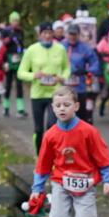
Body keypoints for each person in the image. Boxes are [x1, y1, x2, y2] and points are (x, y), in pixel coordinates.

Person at [26, 86, 109, 217]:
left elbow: (103, 157)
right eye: (58, 105)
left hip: (86, 183)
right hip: (60, 183)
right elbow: (43, 164)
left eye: (66, 105)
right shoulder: (50, 135)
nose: (62, 109)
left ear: (76, 106)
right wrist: (37, 188)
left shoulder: (88, 131)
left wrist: (107, 180)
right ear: (52, 108)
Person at [18, 21, 70, 153]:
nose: (47, 36)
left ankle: (52, 156)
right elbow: (21, 73)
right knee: (39, 129)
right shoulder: (32, 50)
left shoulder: (60, 49)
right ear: (40, 34)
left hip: (55, 94)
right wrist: (35, 75)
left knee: (52, 126)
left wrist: (62, 77)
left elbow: (67, 69)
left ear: (53, 34)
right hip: (37, 94)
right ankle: (39, 156)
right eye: (44, 33)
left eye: (49, 33)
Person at [61, 23, 101, 123]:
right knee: (63, 117)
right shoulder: (60, 47)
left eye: (75, 34)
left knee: (81, 118)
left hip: (80, 89)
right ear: (66, 34)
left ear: (78, 35)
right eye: (70, 34)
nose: (72, 37)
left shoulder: (85, 48)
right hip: (62, 88)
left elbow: (95, 64)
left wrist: (86, 71)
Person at [1, 11, 27, 118]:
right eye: (14, 20)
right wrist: (4, 62)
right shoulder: (5, 31)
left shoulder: (20, 31)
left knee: (19, 85)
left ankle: (20, 109)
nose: (16, 22)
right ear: (10, 21)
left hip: (18, 60)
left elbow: (22, 44)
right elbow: (2, 46)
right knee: (8, 85)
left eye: (17, 20)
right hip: (8, 60)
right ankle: (6, 108)